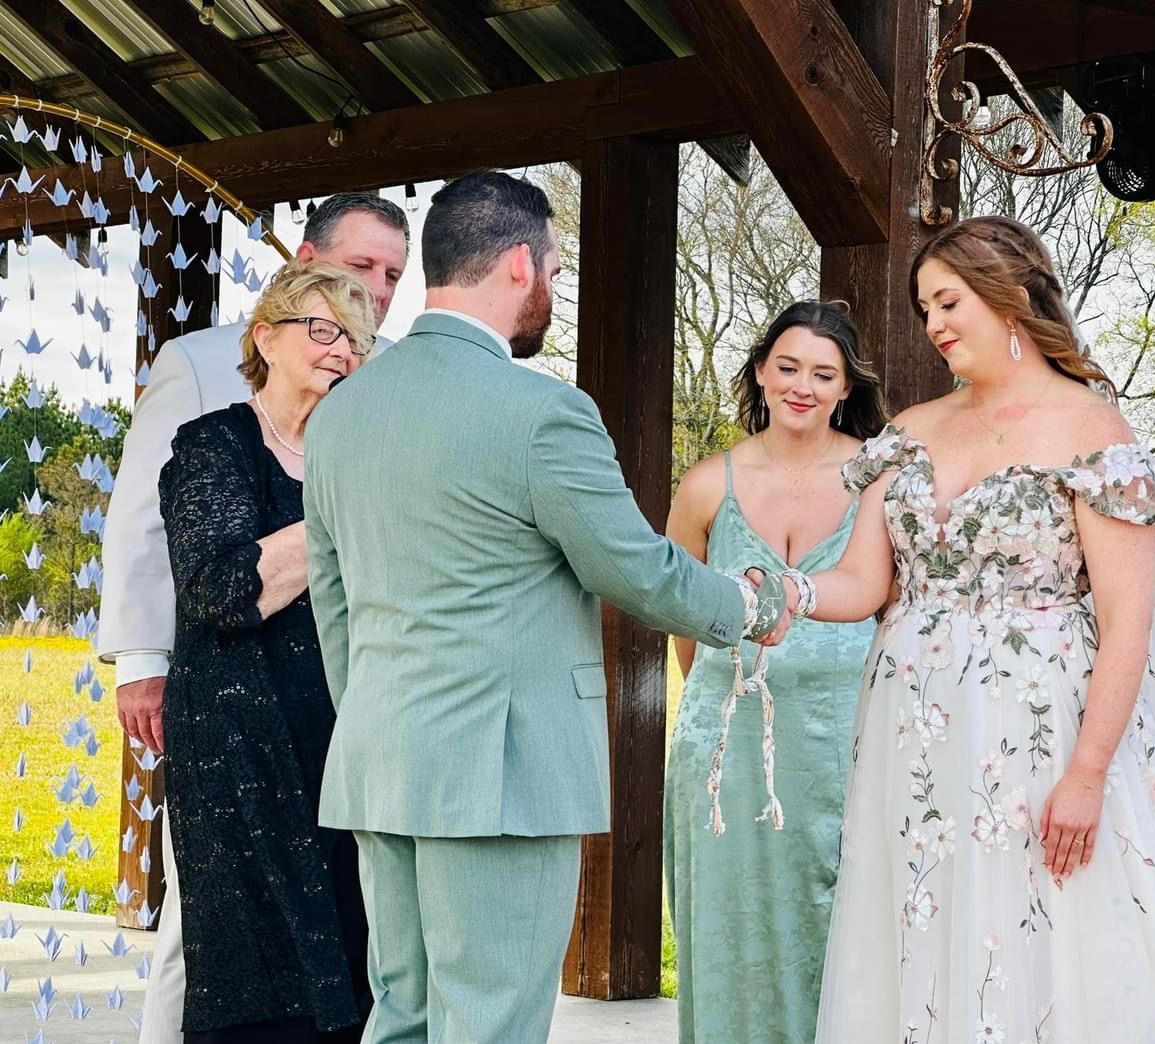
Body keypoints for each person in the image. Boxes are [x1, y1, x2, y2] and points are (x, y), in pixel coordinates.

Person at [302, 170, 792, 1044]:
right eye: (557, 271)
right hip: (501, 775)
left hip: (380, 761)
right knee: (490, 1023)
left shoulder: (343, 411)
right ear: (521, 265)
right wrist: (749, 609)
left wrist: (378, 718)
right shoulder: (543, 413)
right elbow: (634, 567)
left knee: (402, 1016)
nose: (555, 290)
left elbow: (332, 603)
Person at [787, 216, 1155, 1042]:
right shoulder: (910, 431)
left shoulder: (1090, 430)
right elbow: (865, 583)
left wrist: (1087, 773)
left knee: (1046, 933)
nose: (933, 324)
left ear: (1009, 296)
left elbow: (1127, 626)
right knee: (930, 930)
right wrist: (778, 596)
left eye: (948, 302)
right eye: (925, 308)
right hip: (918, 742)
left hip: (1043, 737)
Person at [97, 192, 409, 1044]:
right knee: (217, 943)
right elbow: (156, 534)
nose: (376, 293)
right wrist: (142, 661)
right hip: (233, 721)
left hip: (347, 717)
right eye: (360, 268)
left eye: (390, 278)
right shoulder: (200, 381)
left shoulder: (382, 402)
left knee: (348, 942)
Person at [157, 261, 376, 1043]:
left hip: (345, 742)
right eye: (322, 330)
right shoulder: (212, 444)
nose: (342, 350)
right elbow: (220, 589)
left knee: (353, 966)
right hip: (238, 754)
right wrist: (338, 513)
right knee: (256, 979)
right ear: (265, 339)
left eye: (356, 339)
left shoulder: (362, 458)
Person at [663, 301, 886, 1043]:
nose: (802, 386)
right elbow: (685, 624)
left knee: (843, 922)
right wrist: (723, 704)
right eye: (787, 367)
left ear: (846, 386)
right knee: (732, 923)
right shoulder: (706, 486)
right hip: (725, 752)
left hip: (844, 741)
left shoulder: (877, 479)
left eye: (823, 373)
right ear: (760, 371)